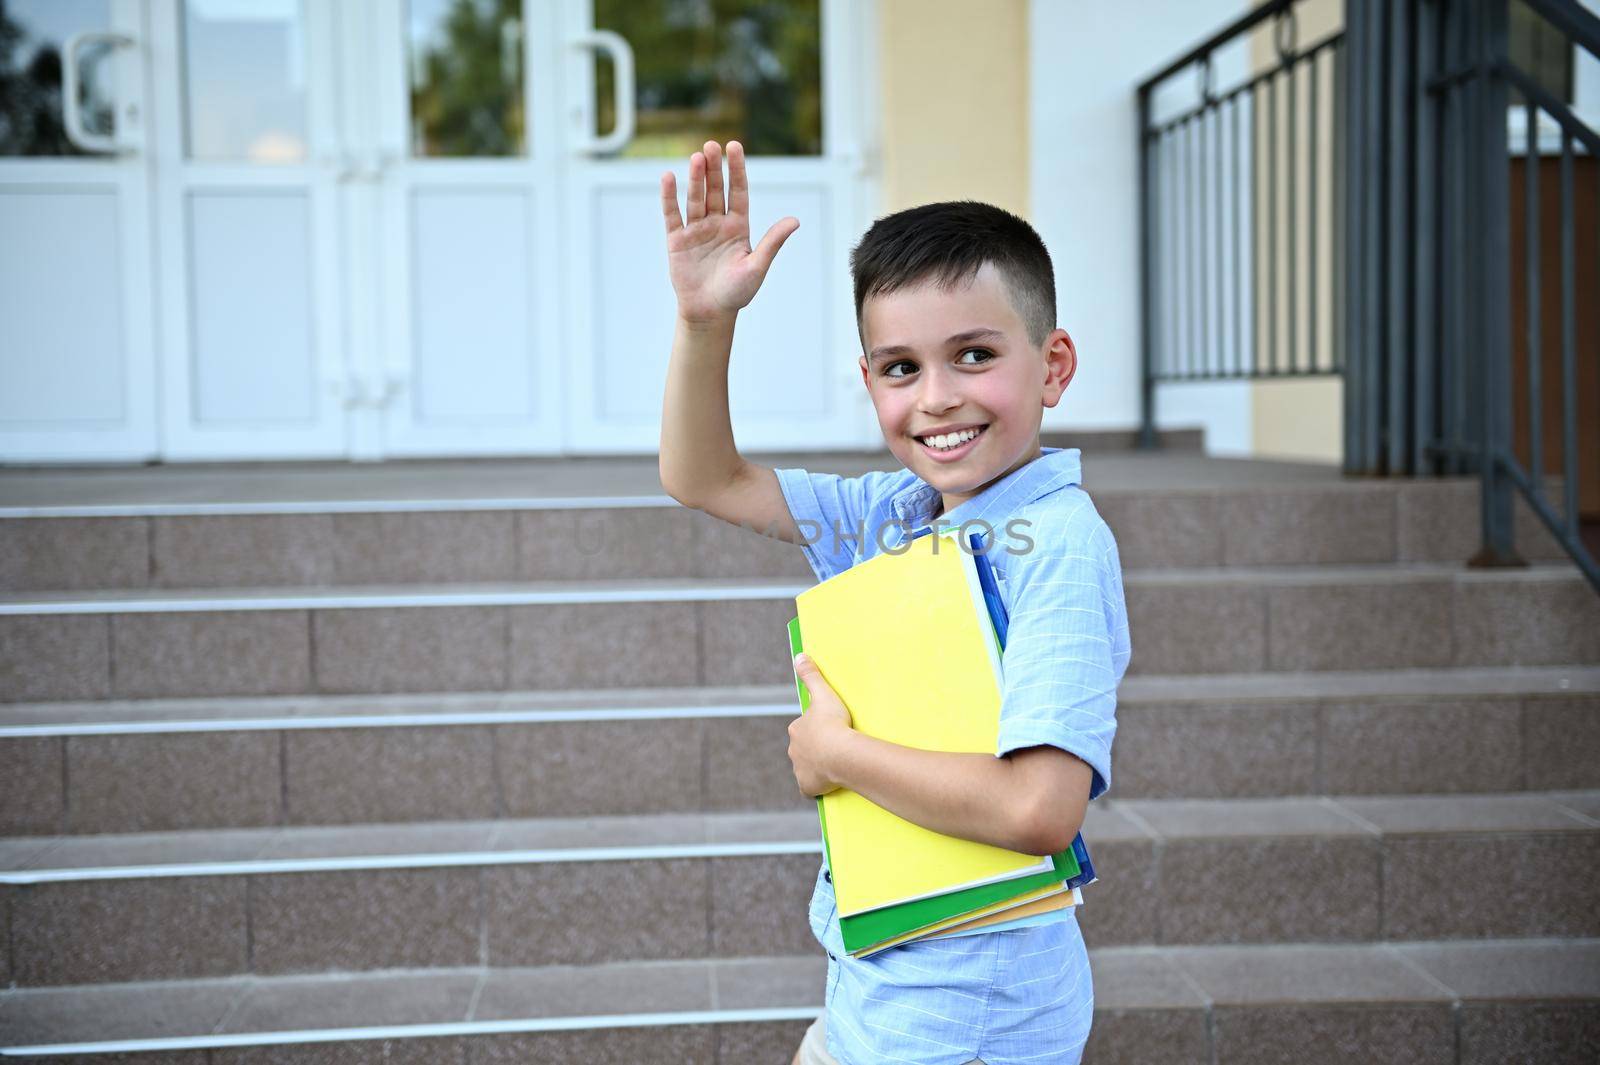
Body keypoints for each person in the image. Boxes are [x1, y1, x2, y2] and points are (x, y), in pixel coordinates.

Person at [657, 139, 1130, 1065]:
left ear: (1054, 365)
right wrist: (705, 323)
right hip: (881, 975)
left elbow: (1041, 807)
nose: (939, 398)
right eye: (901, 368)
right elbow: (702, 475)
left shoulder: (1059, 543)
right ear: (869, 379)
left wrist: (838, 753)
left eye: (975, 355)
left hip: (969, 1008)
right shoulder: (895, 512)